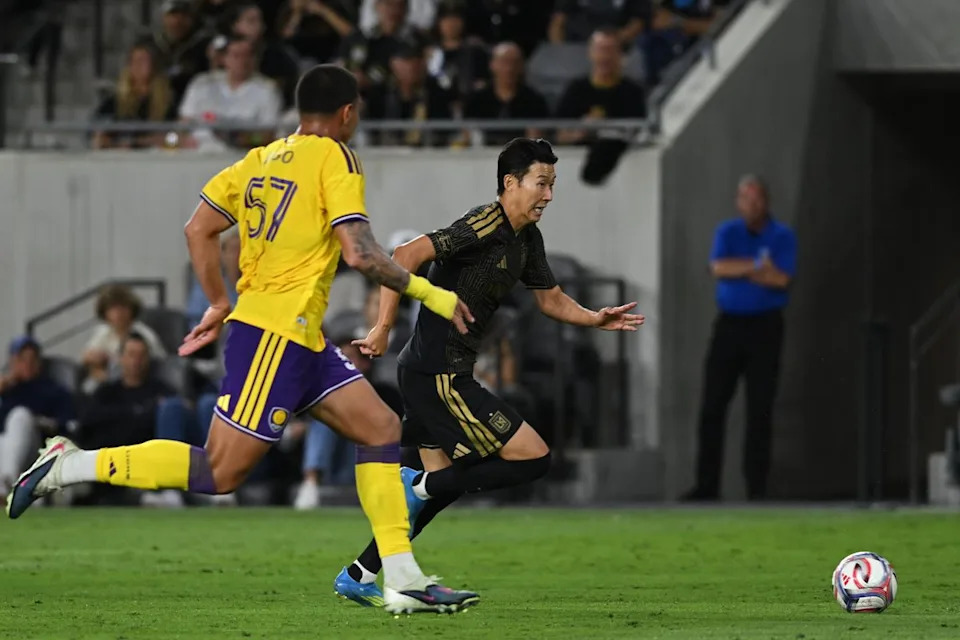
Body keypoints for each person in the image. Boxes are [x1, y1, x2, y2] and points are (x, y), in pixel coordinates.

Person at [7, 64, 478, 615]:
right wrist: (434, 295)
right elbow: (360, 252)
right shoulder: (338, 156)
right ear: (348, 113)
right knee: (219, 471)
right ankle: (67, 466)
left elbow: (198, 228)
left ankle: (399, 575)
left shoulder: (258, 159)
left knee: (378, 425)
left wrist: (217, 300)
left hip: (299, 337)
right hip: (273, 339)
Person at [333, 137, 644, 606]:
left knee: (439, 492)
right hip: (438, 374)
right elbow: (405, 255)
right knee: (534, 458)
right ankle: (415, 487)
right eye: (542, 183)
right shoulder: (485, 222)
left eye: (553, 184)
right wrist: (381, 327)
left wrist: (594, 317)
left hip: (430, 371)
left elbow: (550, 299)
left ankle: (361, 573)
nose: (549, 195)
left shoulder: (527, 239)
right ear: (510, 183)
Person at [682, 175, 796, 502]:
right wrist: (757, 266)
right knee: (712, 406)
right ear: (738, 201)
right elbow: (718, 267)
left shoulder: (782, 236)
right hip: (730, 326)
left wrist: (744, 268)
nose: (752, 205)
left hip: (766, 328)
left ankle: (757, 489)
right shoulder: (728, 232)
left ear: (767, 202)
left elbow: (781, 279)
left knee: (760, 408)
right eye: (746, 199)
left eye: (758, 199)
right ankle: (706, 486)